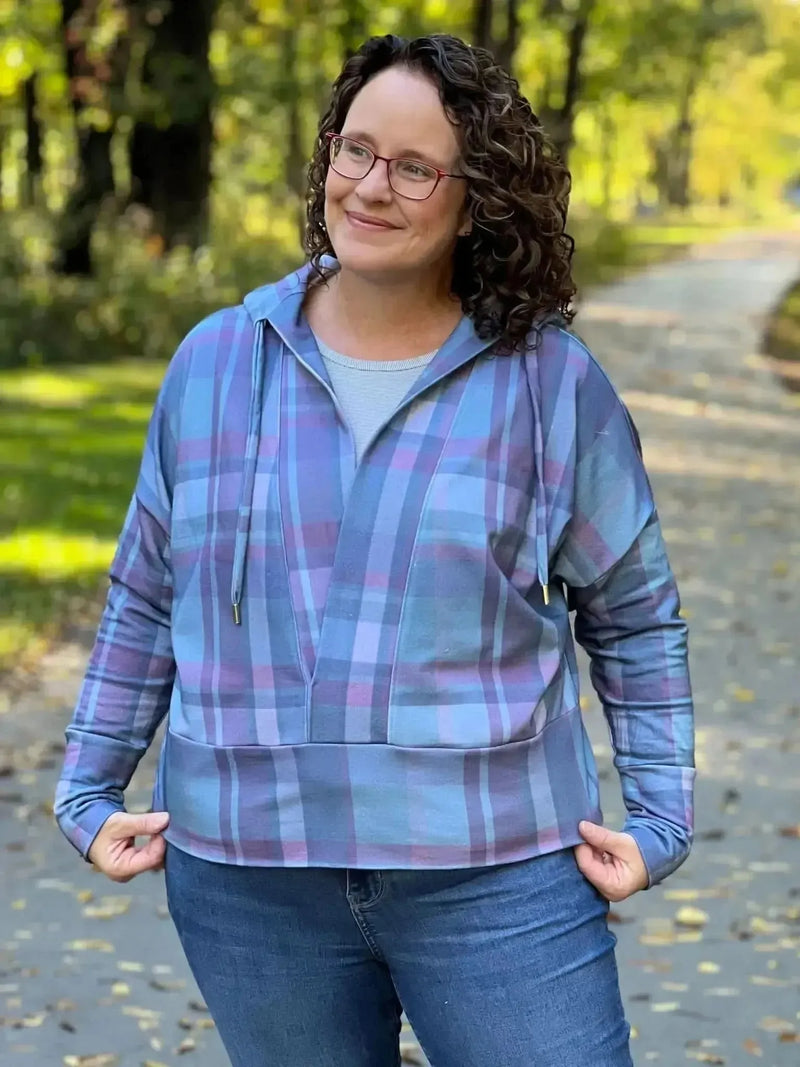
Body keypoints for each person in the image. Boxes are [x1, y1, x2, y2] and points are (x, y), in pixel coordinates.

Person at [54, 32, 695, 1067]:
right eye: (353, 150)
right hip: (248, 882)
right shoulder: (216, 361)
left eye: (413, 167)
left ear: (475, 195)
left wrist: (660, 813)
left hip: (497, 876)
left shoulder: (548, 385)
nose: (370, 187)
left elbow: (630, 610)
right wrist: (86, 786)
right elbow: (145, 590)